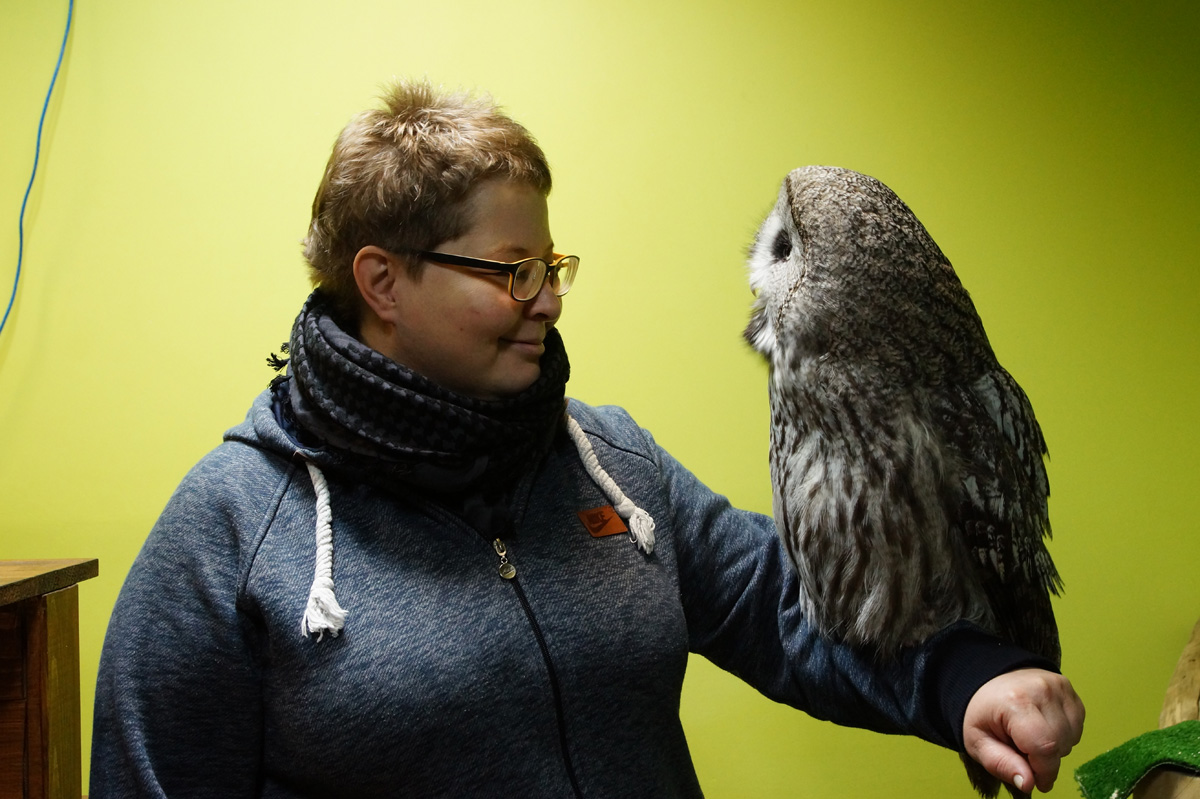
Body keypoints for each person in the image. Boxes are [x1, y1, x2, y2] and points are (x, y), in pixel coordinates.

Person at [90, 80, 1083, 798]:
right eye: (513, 270)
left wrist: (966, 680)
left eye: (553, 263)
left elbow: (786, 607)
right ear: (384, 282)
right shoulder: (230, 529)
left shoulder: (610, 462)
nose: (550, 300)